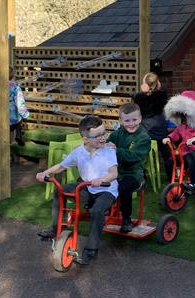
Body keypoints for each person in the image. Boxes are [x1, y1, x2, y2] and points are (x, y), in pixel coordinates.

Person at [35, 115, 118, 266]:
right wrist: (45, 173)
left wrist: (102, 180)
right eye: (97, 135)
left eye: (104, 133)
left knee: (96, 211)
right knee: (60, 190)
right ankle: (55, 228)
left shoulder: (108, 151)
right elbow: (61, 166)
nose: (102, 138)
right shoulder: (78, 152)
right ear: (85, 139)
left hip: (107, 190)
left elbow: (114, 173)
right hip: (87, 187)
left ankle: (91, 250)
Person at [107, 102, 152, 233]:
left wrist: (115, 150)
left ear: (140, 118)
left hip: (133, 174)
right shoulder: (117, 134)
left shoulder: (143, 137)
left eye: (134, 119)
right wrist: (104, 143)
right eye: (127, 120)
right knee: (100, 181)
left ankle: (126, 219)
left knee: (123, 187)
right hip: (116, 171)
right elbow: (109, 145)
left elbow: (133, 157)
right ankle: (100, 206)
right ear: (120, 120)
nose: (131, 123)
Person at [162, 90, 195, 194]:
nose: (183, 113)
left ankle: (194, 185)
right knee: (170, 161)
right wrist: (169, 138)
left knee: (191, 158)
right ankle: (173, 184)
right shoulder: (183, 121)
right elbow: (177, 132)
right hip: (186, 151)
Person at [132, 72, 172, 179]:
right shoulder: (162, 95)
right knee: (167, 155)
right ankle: (171, 178)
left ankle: (142, 179)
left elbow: (136, 97)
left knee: (141, 155)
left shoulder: (139, 97)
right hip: (160, 129)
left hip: (146, 130)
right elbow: (160, 90)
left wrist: (143, 90)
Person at [8, 68, 30, 146]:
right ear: (13, 76)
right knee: (19, 120)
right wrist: (25, 115)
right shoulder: (16, 88)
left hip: (1, 119)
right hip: (13, 119)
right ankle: (18, 135)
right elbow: (20, 104)